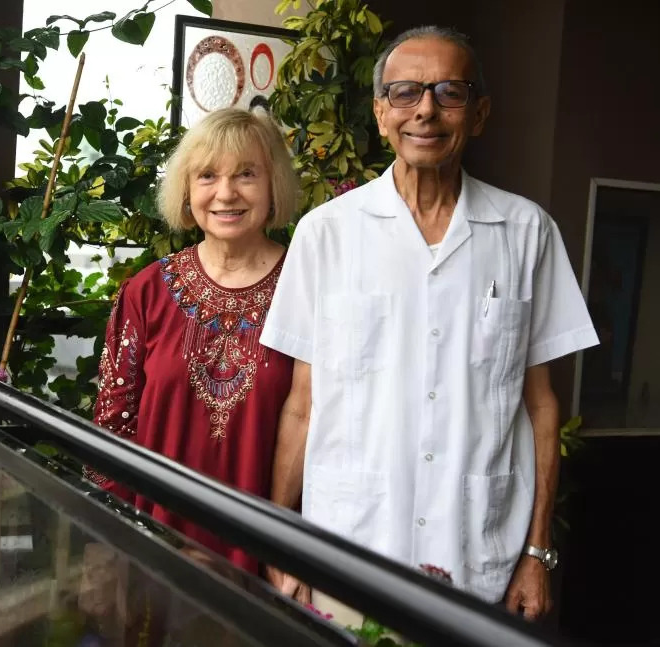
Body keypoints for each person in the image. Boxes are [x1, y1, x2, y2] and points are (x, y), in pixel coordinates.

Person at [260, 26, 599, 624]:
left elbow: (542, 405)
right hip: (349, 544)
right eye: (406, 92)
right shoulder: (327, 234)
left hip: (478, 553)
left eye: (449, 92)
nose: (426, 110)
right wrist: (280, 538)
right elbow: (302, 405)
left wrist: (537, 553)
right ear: (380, 113)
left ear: (479, 113)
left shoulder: (527, 233)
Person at [86, 107, 300, 574]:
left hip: (270, 560)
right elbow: (112, 426)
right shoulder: (146, 291)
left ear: (274, 186)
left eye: (246, 174)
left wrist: (297, 556)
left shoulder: (307, 289)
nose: (226, 193)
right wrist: (109, 544)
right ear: (186, 190)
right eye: (207, 176)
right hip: (154, 552)